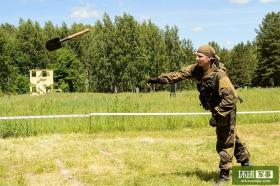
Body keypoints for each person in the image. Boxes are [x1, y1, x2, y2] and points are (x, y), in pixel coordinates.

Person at [147, 44, 252, 185]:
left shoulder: (219, 75)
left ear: (209, 58)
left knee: (224, 139)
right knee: (232, 134)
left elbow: (230, 99)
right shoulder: (197, 69)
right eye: (196, 55)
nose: (196, 58)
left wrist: (217, 115)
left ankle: (224, 174)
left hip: (225, 108)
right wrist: (158, 79)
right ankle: (246, 162)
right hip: (216, 107)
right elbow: (178, 74)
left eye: (200, 56)